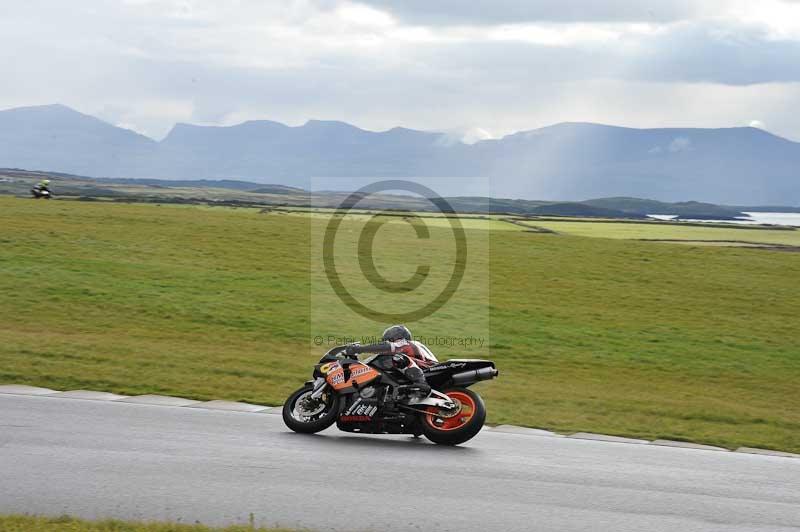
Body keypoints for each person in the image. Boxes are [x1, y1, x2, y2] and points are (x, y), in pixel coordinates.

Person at [345, 325, 436, 398]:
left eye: (390, 340)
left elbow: (386, 347)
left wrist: (359, 349)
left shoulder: (405, 343)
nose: (388, 343)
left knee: (397, 358)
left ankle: (422, 384)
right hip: (419, 371)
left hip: (427, 370)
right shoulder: (411, 346)